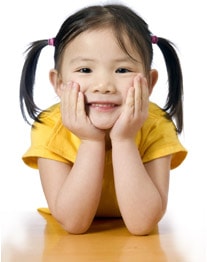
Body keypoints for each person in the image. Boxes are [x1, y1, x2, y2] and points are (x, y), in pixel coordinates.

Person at [19, 4, 187, 235]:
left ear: (148, 83)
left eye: (122, 70)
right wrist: (91, 141)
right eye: (85, 69)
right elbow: (73, 223)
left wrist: (124, 140)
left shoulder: (157, 124)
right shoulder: (50, 126)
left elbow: (142, 225)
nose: (104, 86)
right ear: (58, 83)